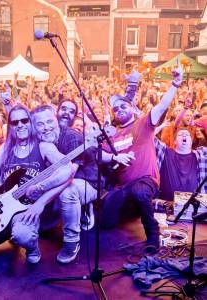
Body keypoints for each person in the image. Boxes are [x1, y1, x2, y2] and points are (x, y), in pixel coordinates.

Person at [0, 105, 73, 264]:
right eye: (15, 122)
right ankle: (6, 233)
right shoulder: (6, 148)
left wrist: (41, 191)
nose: (20, 125)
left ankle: (32, 248)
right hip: (0, 210)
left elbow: (67, 170)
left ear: (30, 122)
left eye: (24, 120)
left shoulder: (43, 146)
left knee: (22, 235)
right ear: (10, 126)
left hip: (24, 211)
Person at [100, 64, 183, 251]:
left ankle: (152, 233)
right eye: (115, 109)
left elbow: (162, 106)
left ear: (132, 107)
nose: (119, 109)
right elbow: (99, 153)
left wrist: (175, 84)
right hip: (122, 186)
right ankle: (133, 208)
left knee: (139, 192)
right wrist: (113, 158)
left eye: (123, 106)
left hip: (146, 180)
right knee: (105, 222)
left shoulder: (143, 123)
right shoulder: (113, 134)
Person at [32, 104, 101, 263]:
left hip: (87, 182)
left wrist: (40, 191)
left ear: (55, 119)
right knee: (44, 228)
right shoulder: (40, 141)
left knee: (68, 191)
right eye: (40, 124)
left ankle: (72, 241)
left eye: (49, 122)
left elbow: (69, 175)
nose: (46, 128)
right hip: (57, 180)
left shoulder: (72, 137)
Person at [155, 127, 207, 201]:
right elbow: (148, 137)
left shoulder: (201, 155)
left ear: (191, 141)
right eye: (180, 135)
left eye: (187, 135)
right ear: (175, 141)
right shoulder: (165, 152)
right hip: (166, 206)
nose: (184, 136)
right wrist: (160, 127)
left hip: (194, 208)